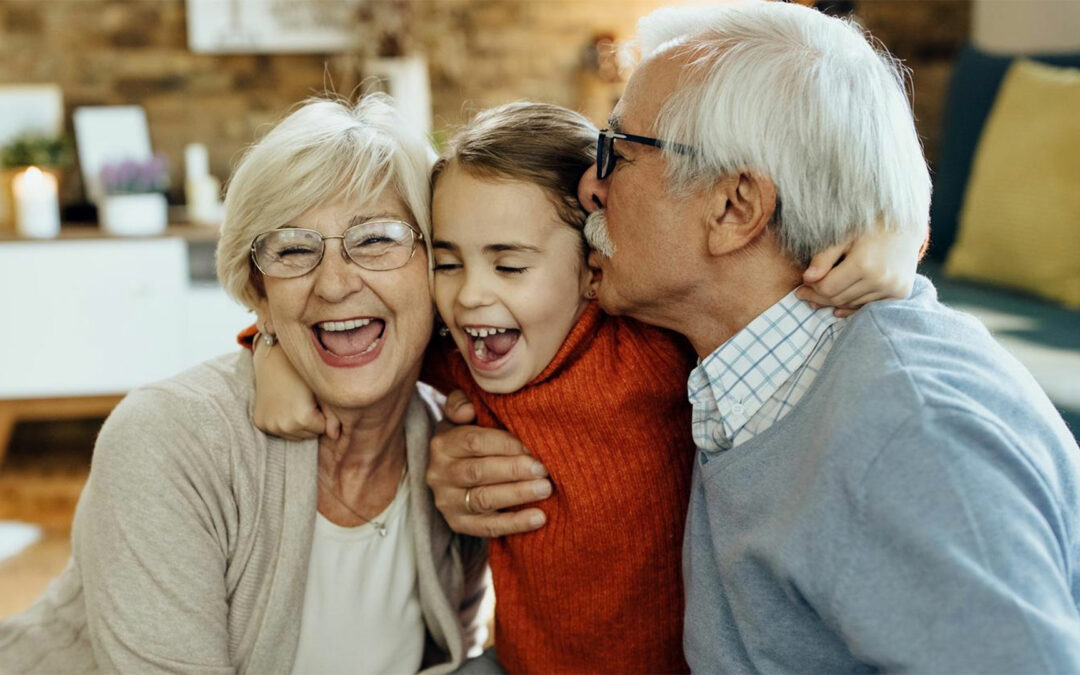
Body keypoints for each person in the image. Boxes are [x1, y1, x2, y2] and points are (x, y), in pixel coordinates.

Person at [432, 2, 1080, 671]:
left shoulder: (913, 439)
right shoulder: (725, 356)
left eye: (617, 153)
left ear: (735, 208)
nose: (590, 187)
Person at [249, 101, 923, 671]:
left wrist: (896, 235)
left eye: (509, 265)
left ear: (592, 269)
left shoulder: (651, 345)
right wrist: (270, 351)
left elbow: (780, 288)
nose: (470, 297)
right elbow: (351, 332)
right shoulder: (459, 355)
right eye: (447, 263)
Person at [0, 95, 488, 674]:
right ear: (259, 293)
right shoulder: (168, 442)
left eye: (377, 239)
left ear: (437, 265)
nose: (333, 284)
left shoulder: (457, 452)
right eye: (293, 249)